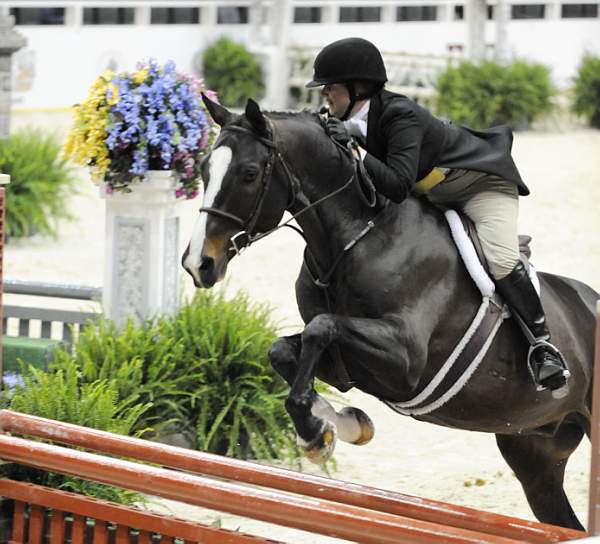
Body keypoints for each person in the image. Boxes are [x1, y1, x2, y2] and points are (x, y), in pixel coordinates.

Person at [306, 37, 569, 394]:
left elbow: (396, 184)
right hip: (433, 191)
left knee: (500, 258)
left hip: (480, 187)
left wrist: (356, 152)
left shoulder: (400, 114)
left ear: (358, 88)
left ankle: (543, 347)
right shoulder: (352, 117)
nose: (325, 98)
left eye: (330, 90)